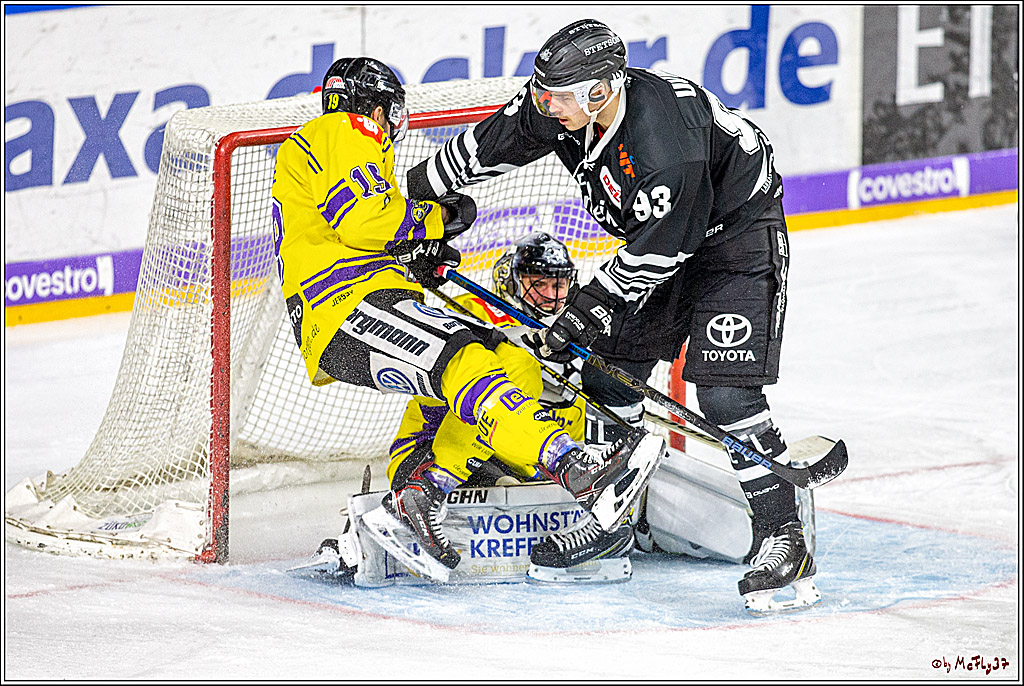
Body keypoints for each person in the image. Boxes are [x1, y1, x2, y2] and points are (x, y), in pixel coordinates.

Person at [404, 20, 819, 611]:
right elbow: (481, 150)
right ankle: (611, 518)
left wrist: (582, 311)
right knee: (603, 375)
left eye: (560, 96)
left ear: (600, 91)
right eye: (542, 92)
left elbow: (657, 253)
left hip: (733, 243)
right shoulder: (557, 102)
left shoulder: (663, 149)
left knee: (726, 397)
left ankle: (784, 537)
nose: (546, 105)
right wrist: (406, 210)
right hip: (659, 240)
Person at [271, 56, 665, 580]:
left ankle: (421, 492)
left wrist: (418, 258)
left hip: (368, 295)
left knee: (508, 356)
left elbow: (350, 231)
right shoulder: (342, 128)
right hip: (345, 307)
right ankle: (578, 469)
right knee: (465, 365)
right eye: (392, 110)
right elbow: (365, 221)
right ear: (375, 105)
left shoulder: (340, 147)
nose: (395, 122)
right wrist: (437, 219)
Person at [385, 232, 636, 582]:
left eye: (559, 284)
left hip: (504, 457)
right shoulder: (474, 309)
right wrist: (523, 342)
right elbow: (463, 365)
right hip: (427, 449)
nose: (551, 295)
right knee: (517, 372)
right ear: (513, 282)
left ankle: (605, 515)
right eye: (540, 283)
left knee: (580, 412)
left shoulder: (570, 330)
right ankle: (426, 489)